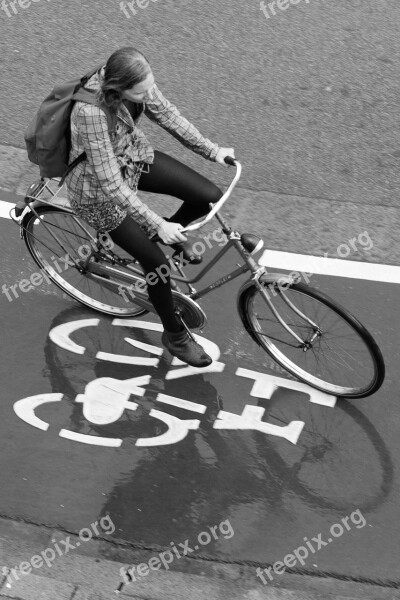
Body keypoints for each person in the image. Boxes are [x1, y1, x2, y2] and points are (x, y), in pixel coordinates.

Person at [65, 46, 235, 368]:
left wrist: (213, 152)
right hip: (96, 191)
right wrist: (156, 222)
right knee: (158, 265)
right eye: (141, 93)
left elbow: (168, 114)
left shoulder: (135, 79)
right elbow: (110, 182)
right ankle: (175, 336)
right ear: (118, 88)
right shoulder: (90, 112)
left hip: (132, 156)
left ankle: (157, 237)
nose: (147, 95)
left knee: (206, 195)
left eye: (149, 87)